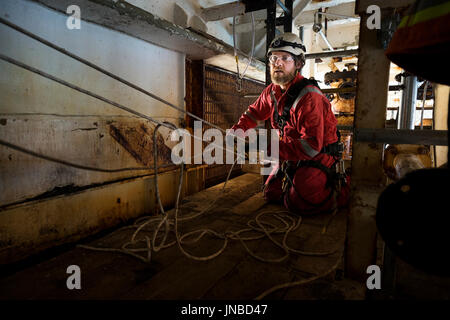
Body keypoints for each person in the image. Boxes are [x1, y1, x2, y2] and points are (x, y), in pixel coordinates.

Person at [229, 32, 350, 215]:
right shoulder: (272, 92)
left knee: (300, 202)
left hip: (318, 156)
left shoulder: (309, 97)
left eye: (285, 58)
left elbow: (311, 147)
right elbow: (254, 113)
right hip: (291, 153)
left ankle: (347, 188)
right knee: (271, 193)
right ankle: (296, 182)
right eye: (273, 58)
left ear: (299, 64)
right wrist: (238, 129)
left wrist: (269, 147)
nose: (277, 63)